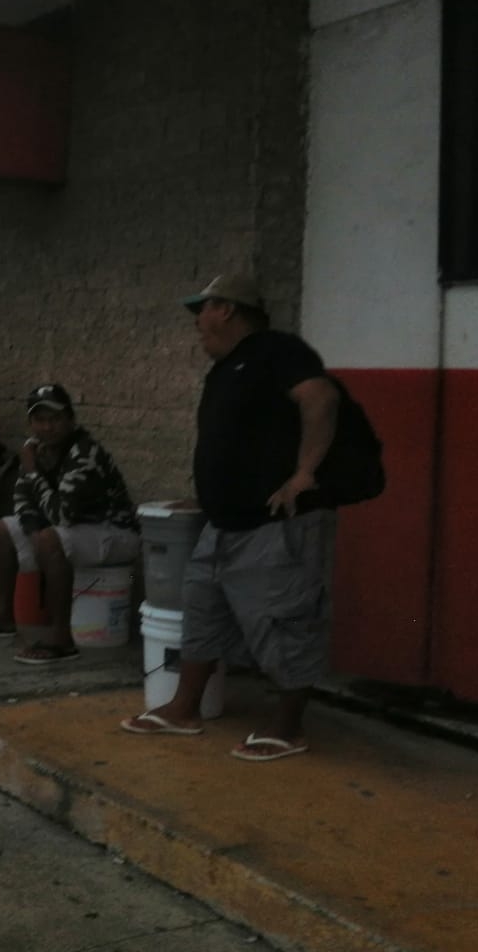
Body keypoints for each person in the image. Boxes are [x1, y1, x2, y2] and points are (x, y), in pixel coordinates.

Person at [120, 273, 340, 762]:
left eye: (201, 311)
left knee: (285, 622)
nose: (197, 323)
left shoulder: (275, 350)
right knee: (200, 612)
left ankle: (287, 727)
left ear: (225, 308)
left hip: (274, 526)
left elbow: (321, 398)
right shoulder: (227, 369)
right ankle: (183, 710)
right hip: (222, 524)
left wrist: (305, 473)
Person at [0, 384, 141, 665]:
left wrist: (32, 474)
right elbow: (22, 501)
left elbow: (61, 513)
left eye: (55, 419)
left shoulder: (84, 453)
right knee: (4, 529)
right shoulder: (38, 452)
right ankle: (3, 616)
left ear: (70, 420)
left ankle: (62, 638)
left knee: (50, 538)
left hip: (116, 533)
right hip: (74, 529)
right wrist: (35, 531)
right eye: (40, 420)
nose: (47, 427)